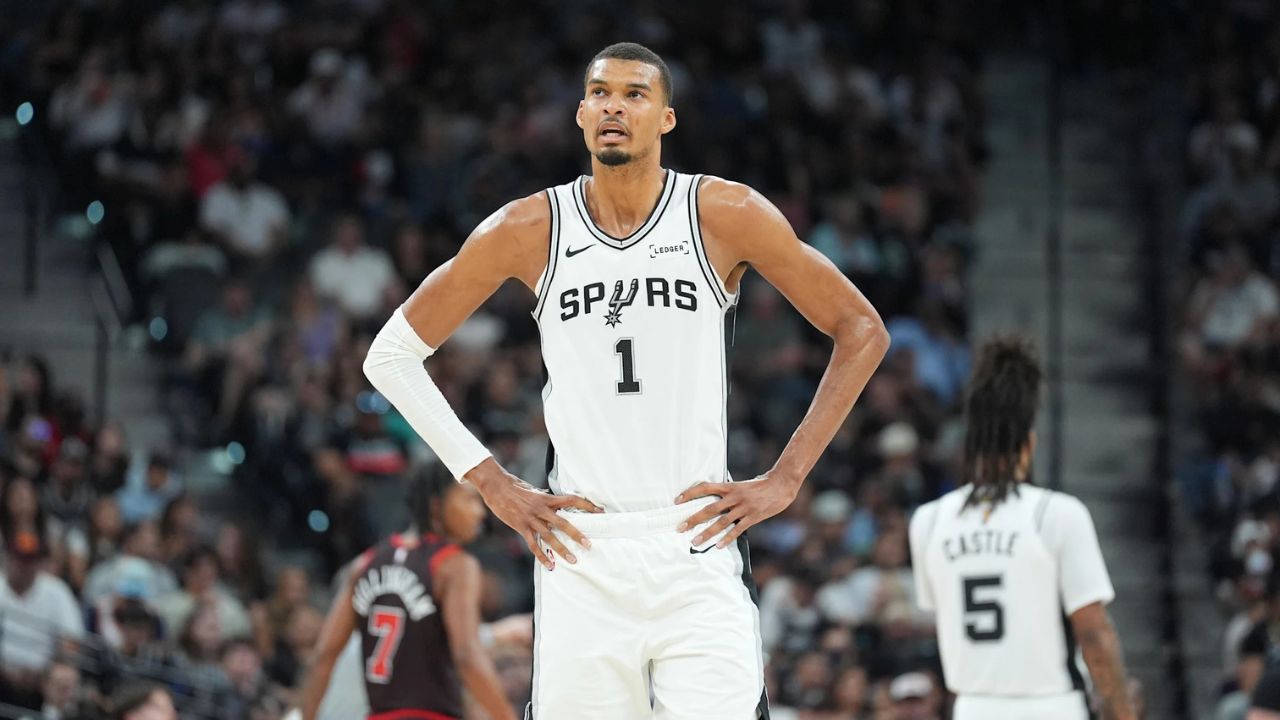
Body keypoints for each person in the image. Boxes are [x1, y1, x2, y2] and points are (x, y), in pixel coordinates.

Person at [363, 42, 889, 719]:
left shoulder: (722, 214)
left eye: (636, 94)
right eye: (601, 93)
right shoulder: (530, 226)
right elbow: (391, 355)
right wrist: (489, 482)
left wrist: (786, 478)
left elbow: (862, 328)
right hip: (581, 551)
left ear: (666, 117)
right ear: (581, 115)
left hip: (695, 541)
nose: (616, 105)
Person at [907, 338, 1134, 720]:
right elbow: (1095, 635)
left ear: (969, 446)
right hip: (1051, 706)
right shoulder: (1057, 514)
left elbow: (939, 614)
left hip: (972, 706)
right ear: (1029, 444)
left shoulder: (928, 521)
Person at [293, 469, 516, 720]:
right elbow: (467, 657)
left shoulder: (364, 563)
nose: (480, 512)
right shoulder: (453, 566)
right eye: (468, 499)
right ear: (436, 505)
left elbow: (323, 656)